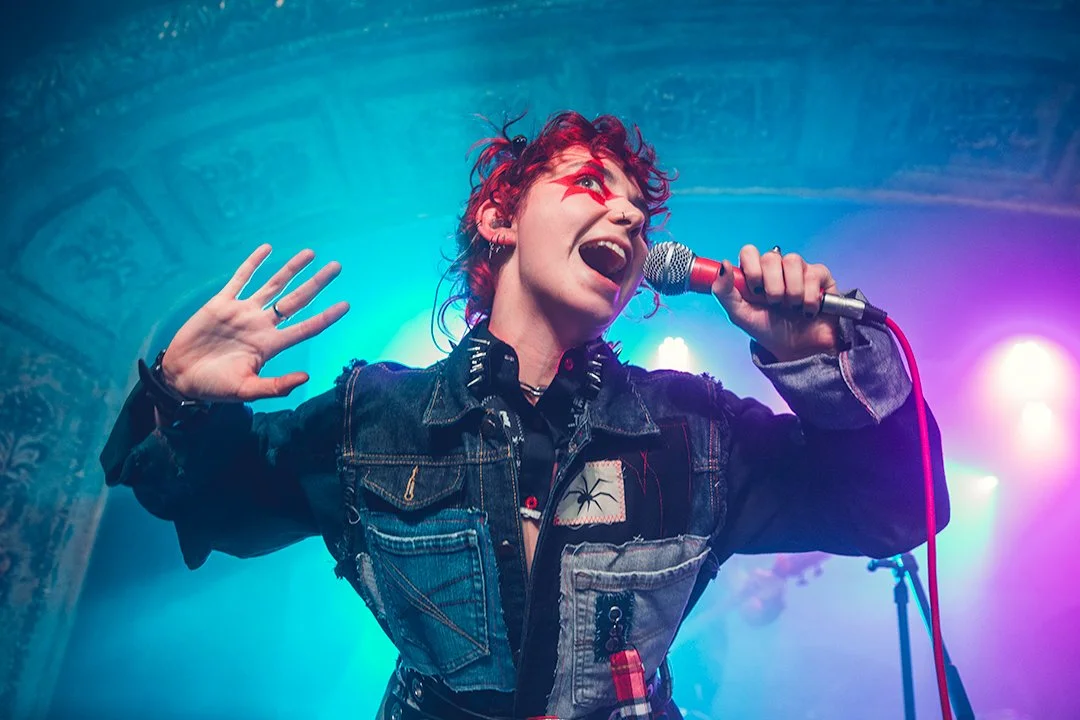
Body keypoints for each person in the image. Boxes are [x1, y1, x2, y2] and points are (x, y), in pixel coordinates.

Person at [100, 111, 949, 719]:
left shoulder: (696, 430)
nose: (628, 214)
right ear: (499, 217)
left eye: (638, 210)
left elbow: (897, 509)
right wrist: (176, 395)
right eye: (590, 185)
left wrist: (820, 363)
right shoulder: (373, 419)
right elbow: (215, 509)